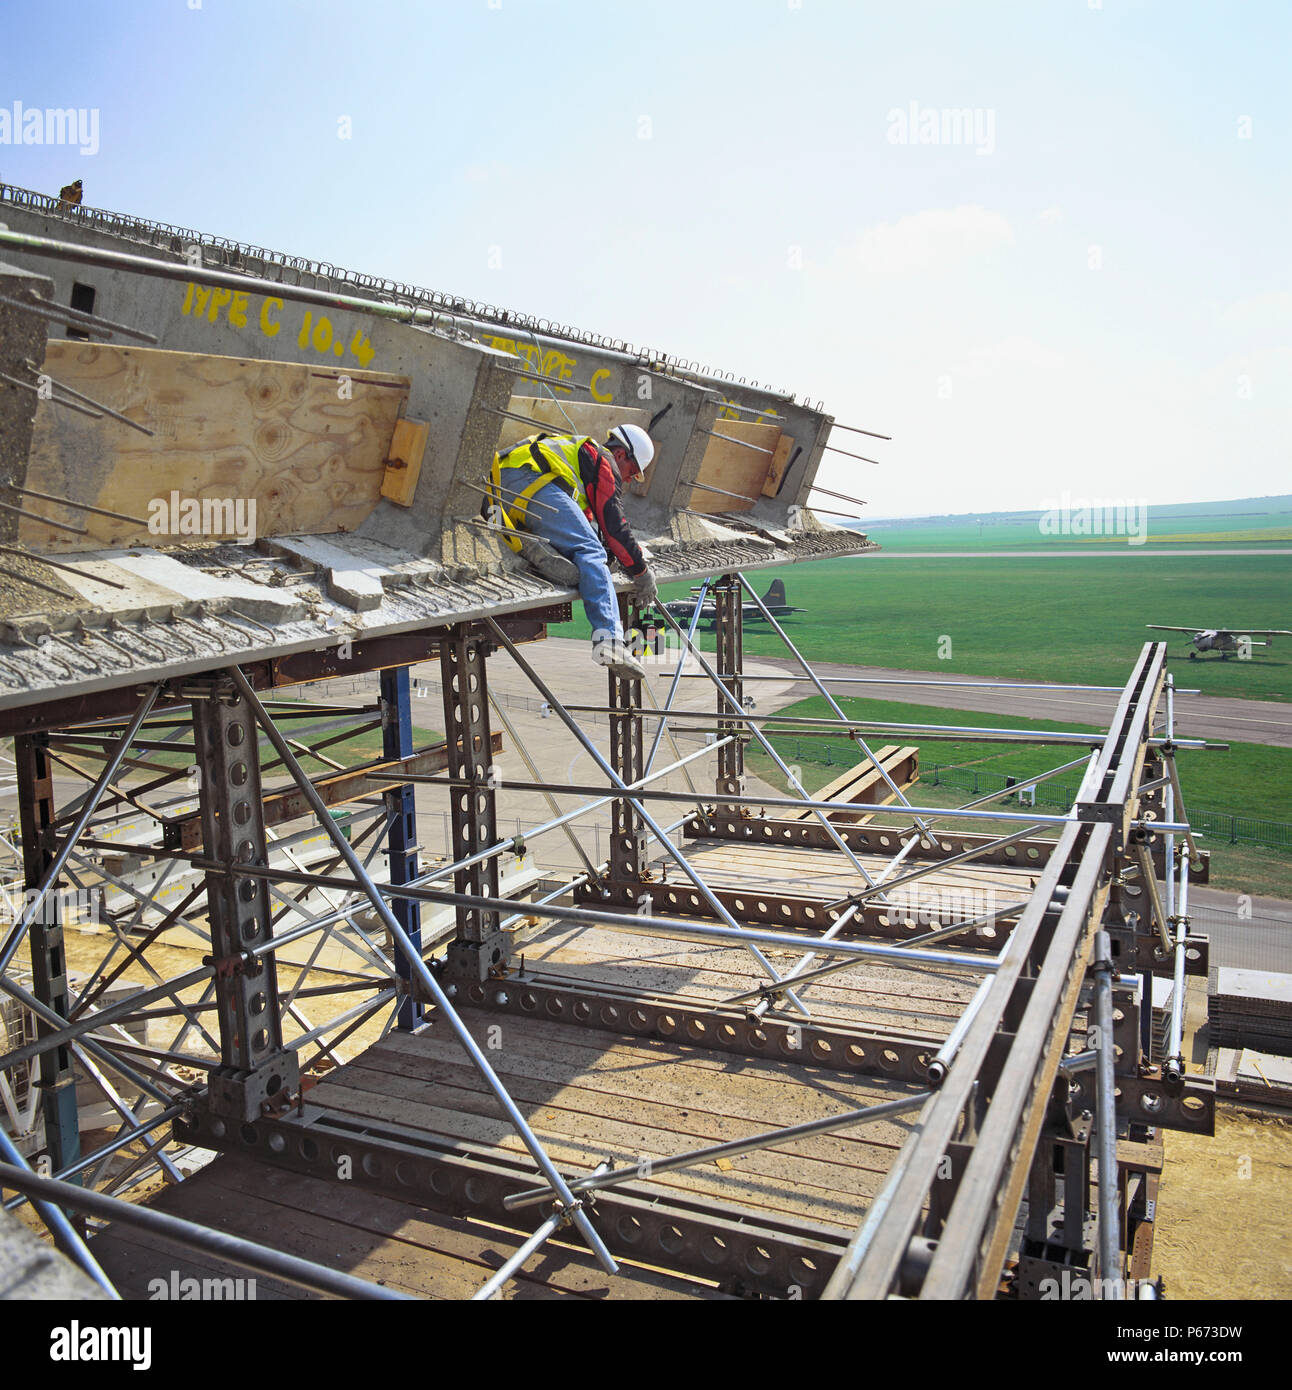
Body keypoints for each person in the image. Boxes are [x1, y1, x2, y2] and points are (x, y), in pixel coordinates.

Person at [489, 422, 659, 679]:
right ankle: (609, 641)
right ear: (622, 454)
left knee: (580, 556)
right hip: (529, 481)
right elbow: (615, 528)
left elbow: (594, 525)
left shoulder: (580, 465)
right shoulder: (603, 459)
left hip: (507, 485)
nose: (627, 479)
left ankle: (539, 551)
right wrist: (641, 572)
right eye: (632, 471)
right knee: (591, 552)